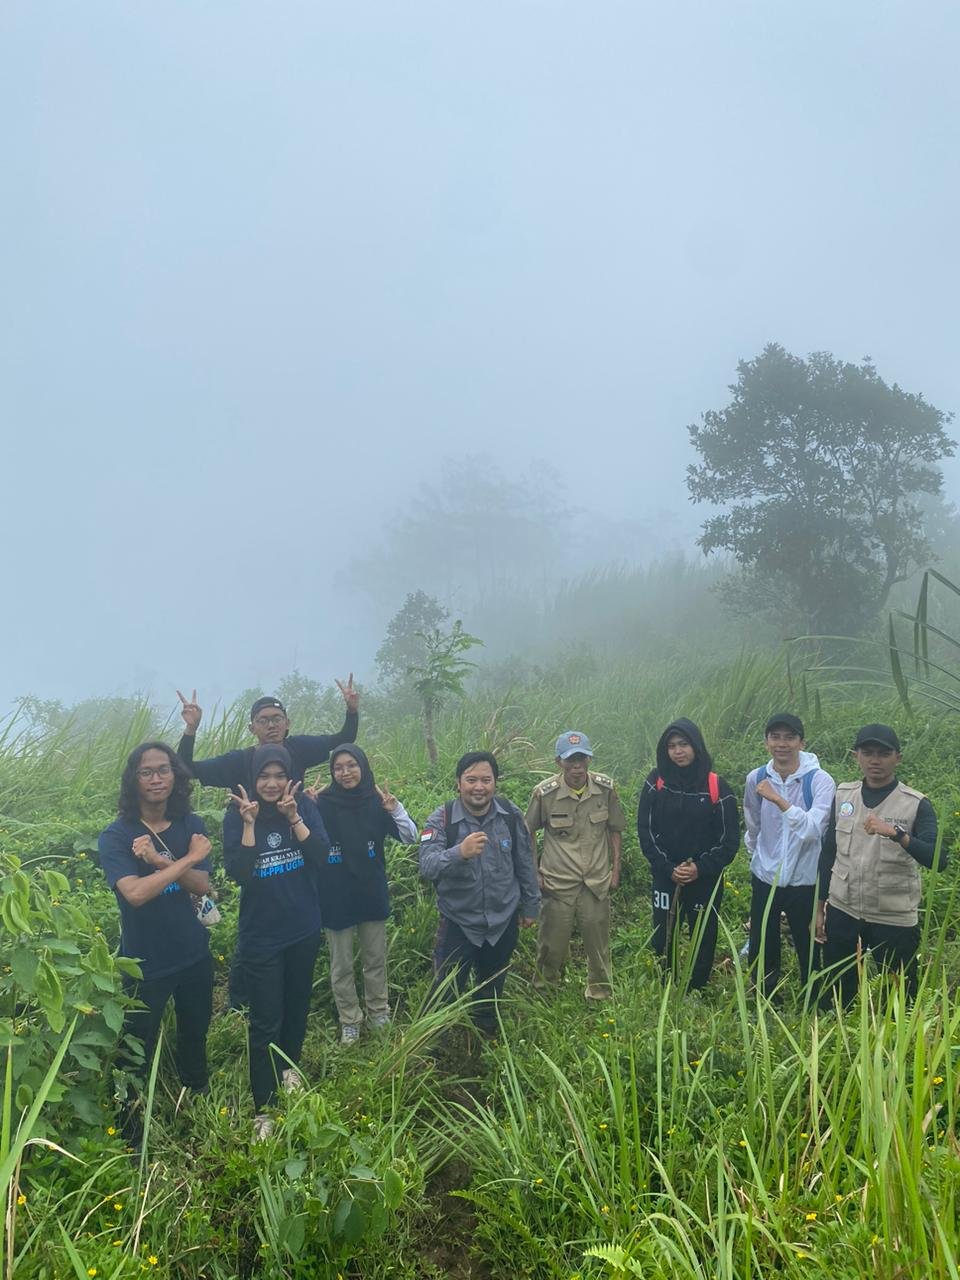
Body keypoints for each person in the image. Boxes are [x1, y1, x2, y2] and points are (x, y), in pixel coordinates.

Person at [98, 742, 214, 1145]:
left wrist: (163, 861)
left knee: (195, 1030)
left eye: (163, 770)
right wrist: (186, 860)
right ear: (133, 779)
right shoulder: (116, 836)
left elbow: (203, 885)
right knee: (135, 1047)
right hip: (144, 963)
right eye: (147, 772)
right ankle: (130, 1129)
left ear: (175, 776)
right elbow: (135, 893)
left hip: (194, 953)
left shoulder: (190, 823)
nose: (156, 778)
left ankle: (195, 1095)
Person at [222, 745, 329, 1140]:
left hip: (303, 927)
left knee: (297, 1007)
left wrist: (294, 817)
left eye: (278, 776)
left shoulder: (302, 807)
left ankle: (289, 1072)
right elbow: (240, 874)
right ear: (253, 779)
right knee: (266, 1020)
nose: (270, 784)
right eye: (263, 777)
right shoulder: (237, 816)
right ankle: (263, 1108)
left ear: (289, 778)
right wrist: (250, 825)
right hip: (261, 936)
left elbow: (320, 855)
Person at [817, 724, 944, 1005]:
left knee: (898, 998)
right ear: (856, 756)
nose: (875, 760)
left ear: (898, 758)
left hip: (893, 917)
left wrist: (897, 834)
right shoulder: (843, 795)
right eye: (868, 752)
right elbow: (829, 852)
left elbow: (938, 859)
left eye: (884, 753)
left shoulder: (916, 804)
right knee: (838, 991)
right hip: (843, 909)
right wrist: (819, 906)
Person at [420, 751, 540, 1035]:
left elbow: (524, 861)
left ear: (495, 782)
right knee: (446, 991)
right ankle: (435, 1046)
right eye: (471, 779)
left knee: (491, 987)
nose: (479, 786)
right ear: (458, 783)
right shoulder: (443, 818)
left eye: (486, 779)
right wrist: (459, 852)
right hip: (459, 922)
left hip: (502, 920)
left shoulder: (509, 814)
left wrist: (531, 905)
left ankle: (486, 1039)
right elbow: (426, 866)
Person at [309, 745, 417, 1045]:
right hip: (335, 895)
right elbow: (303, 841)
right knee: (341, 964)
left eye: (351, 765)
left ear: (363, 767)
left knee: (375, 959)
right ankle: (350, 1020)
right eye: (338, 768)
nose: (345, 773)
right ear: (332, 772)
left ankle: (378, 1012)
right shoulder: (321, 803)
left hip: (370, 891)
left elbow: (410, 837)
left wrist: (395, 809)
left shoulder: (376, 801)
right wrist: (305, 807)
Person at [636, 719, 740, 989]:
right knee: (662, 935)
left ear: (696, 746)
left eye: (684, 744)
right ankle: (665, 984)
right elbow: (645, 831)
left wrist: (699, 868)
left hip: (704, 879)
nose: (678, 751)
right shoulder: (655, 782)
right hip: (665, 876)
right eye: (671, 746)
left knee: (703, 936)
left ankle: (697, 989)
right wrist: (667, 867)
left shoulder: (718, 787)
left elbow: (729, 842)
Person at [525, 732, 626, 1001]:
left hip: (595, 881)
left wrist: (615, 870)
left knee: (598, 943)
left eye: (582, 758)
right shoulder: (544, 794)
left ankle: (601, 993)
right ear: (559, 762)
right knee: (551, 944)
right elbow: (528, 833)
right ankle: (545, 992)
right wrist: (534, 872)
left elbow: (615, 829)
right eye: (570, 760)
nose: (577, 765)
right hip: (558, 883)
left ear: (589, 759)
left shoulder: (605, 790)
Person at [743, 713, 835, 998]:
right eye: (775, 737)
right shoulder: (756, 778)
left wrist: (779, 800)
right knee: (762, 940)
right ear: (766, 742)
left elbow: (812, 830)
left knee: (808, 941)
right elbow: (753, 825)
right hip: (765, 875)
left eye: (789, 737)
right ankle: (765, 996)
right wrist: (759, 859)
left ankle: (813, 998)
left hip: (805, 878)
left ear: (802, 742)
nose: (782, 744)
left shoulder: (820, 781)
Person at [175, 676, 360, 791]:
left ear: (287, 723)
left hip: (296, 826)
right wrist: (191, 729)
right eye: (263, 721)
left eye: (277, 719)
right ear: (252, 728)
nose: (271, 725)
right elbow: (187, 769)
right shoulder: (238, 761)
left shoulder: (300, 748)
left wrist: (352, 711)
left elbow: (344, 738)